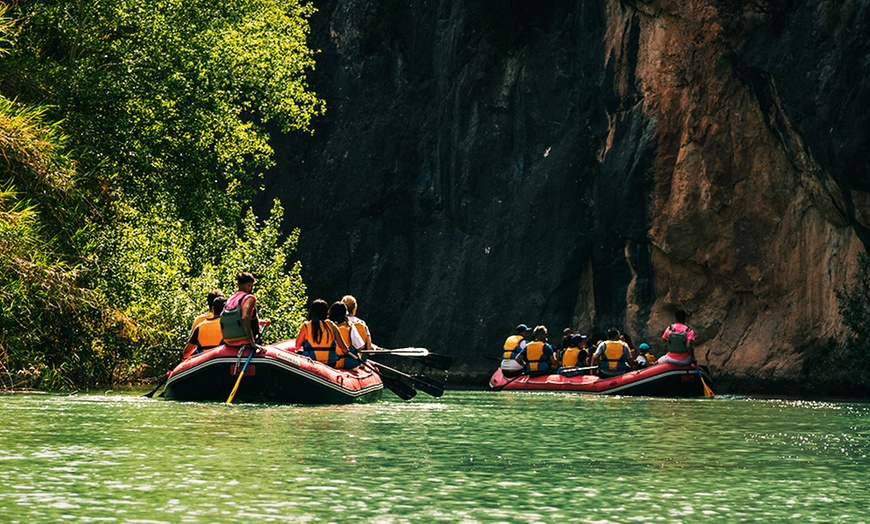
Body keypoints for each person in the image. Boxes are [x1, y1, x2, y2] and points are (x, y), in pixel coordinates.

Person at [220, 272, 269, 352]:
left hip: (229, 341)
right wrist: (252, 343)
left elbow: (237, 319)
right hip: (244, 340)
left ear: (237, 285)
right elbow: (244, 317)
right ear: (249, 285)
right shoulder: (249, 298)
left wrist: (261, 322)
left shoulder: (231, 299)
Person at [296, 299, 350, 365]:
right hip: (330, 362)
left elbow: (297, 345)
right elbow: (344, 348)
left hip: (310, 361)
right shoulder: (332, 326)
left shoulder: (306, 326)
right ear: (326, 312)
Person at [328, 301, 362, 369]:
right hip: (345, 363)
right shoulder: (350, 327)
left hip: (327, 361)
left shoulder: (325, 326)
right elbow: (359, 346)